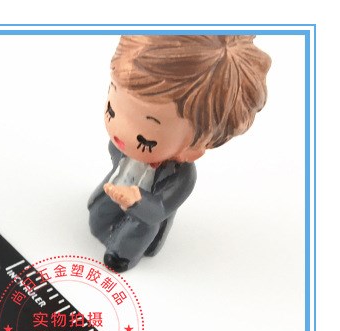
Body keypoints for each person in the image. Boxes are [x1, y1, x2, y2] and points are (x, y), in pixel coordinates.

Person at [88, 35, 271, 272]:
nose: (120, 130)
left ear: (194, 148)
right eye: (112, 110)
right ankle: (101, 222)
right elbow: (116, 157)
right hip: (113, 191)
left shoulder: (181, 176)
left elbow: (160, 208)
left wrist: (137, 201)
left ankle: (121, 254)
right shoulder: (122, 148)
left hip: (142, 220)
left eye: (146, 138)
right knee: (97, 220)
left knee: (136, 229)